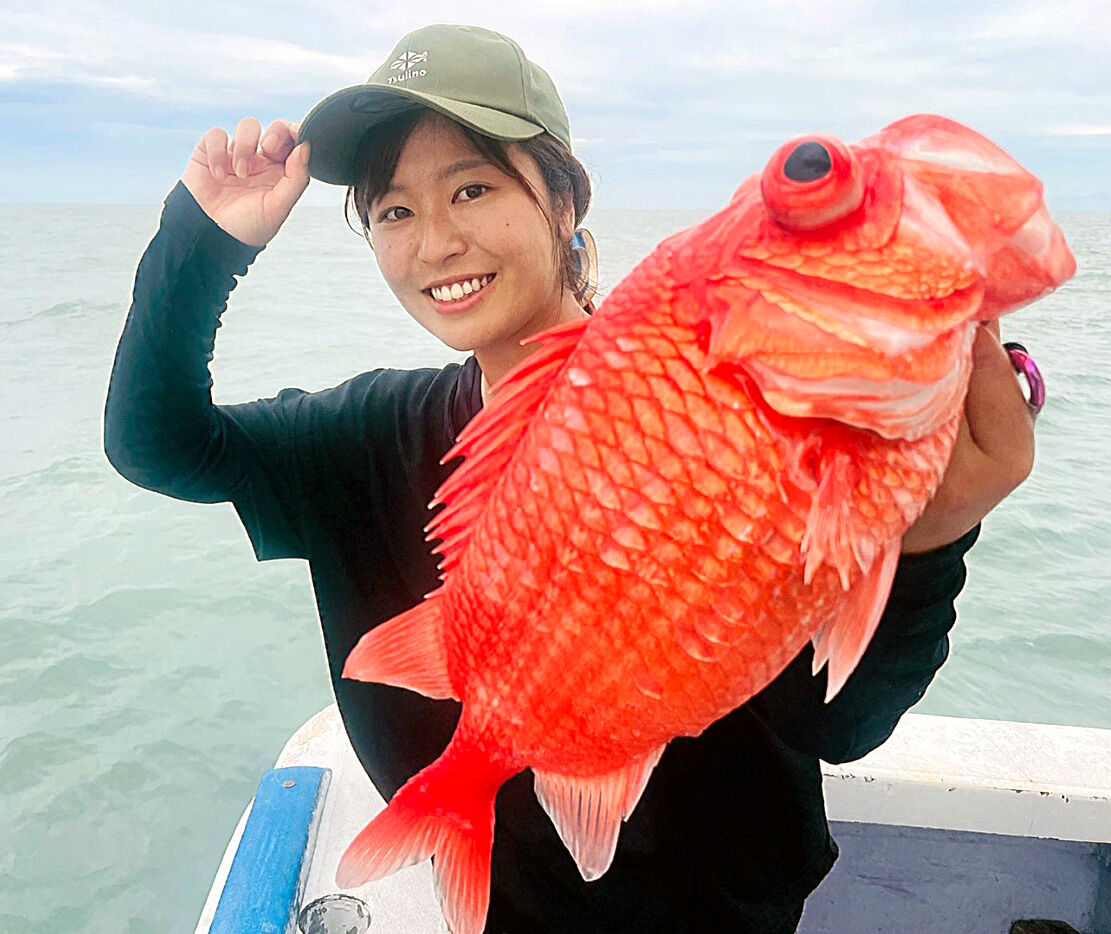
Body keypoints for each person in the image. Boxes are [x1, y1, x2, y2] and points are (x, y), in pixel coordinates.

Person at [103, 23, 1036, 934]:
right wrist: (203, 247)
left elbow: (842, 722)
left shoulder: (720, 409)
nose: (435, 243)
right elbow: (158, 443)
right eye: (394, 210)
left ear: (562, 201)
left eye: (471, 188)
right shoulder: (366, 434)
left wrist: (931, 536)